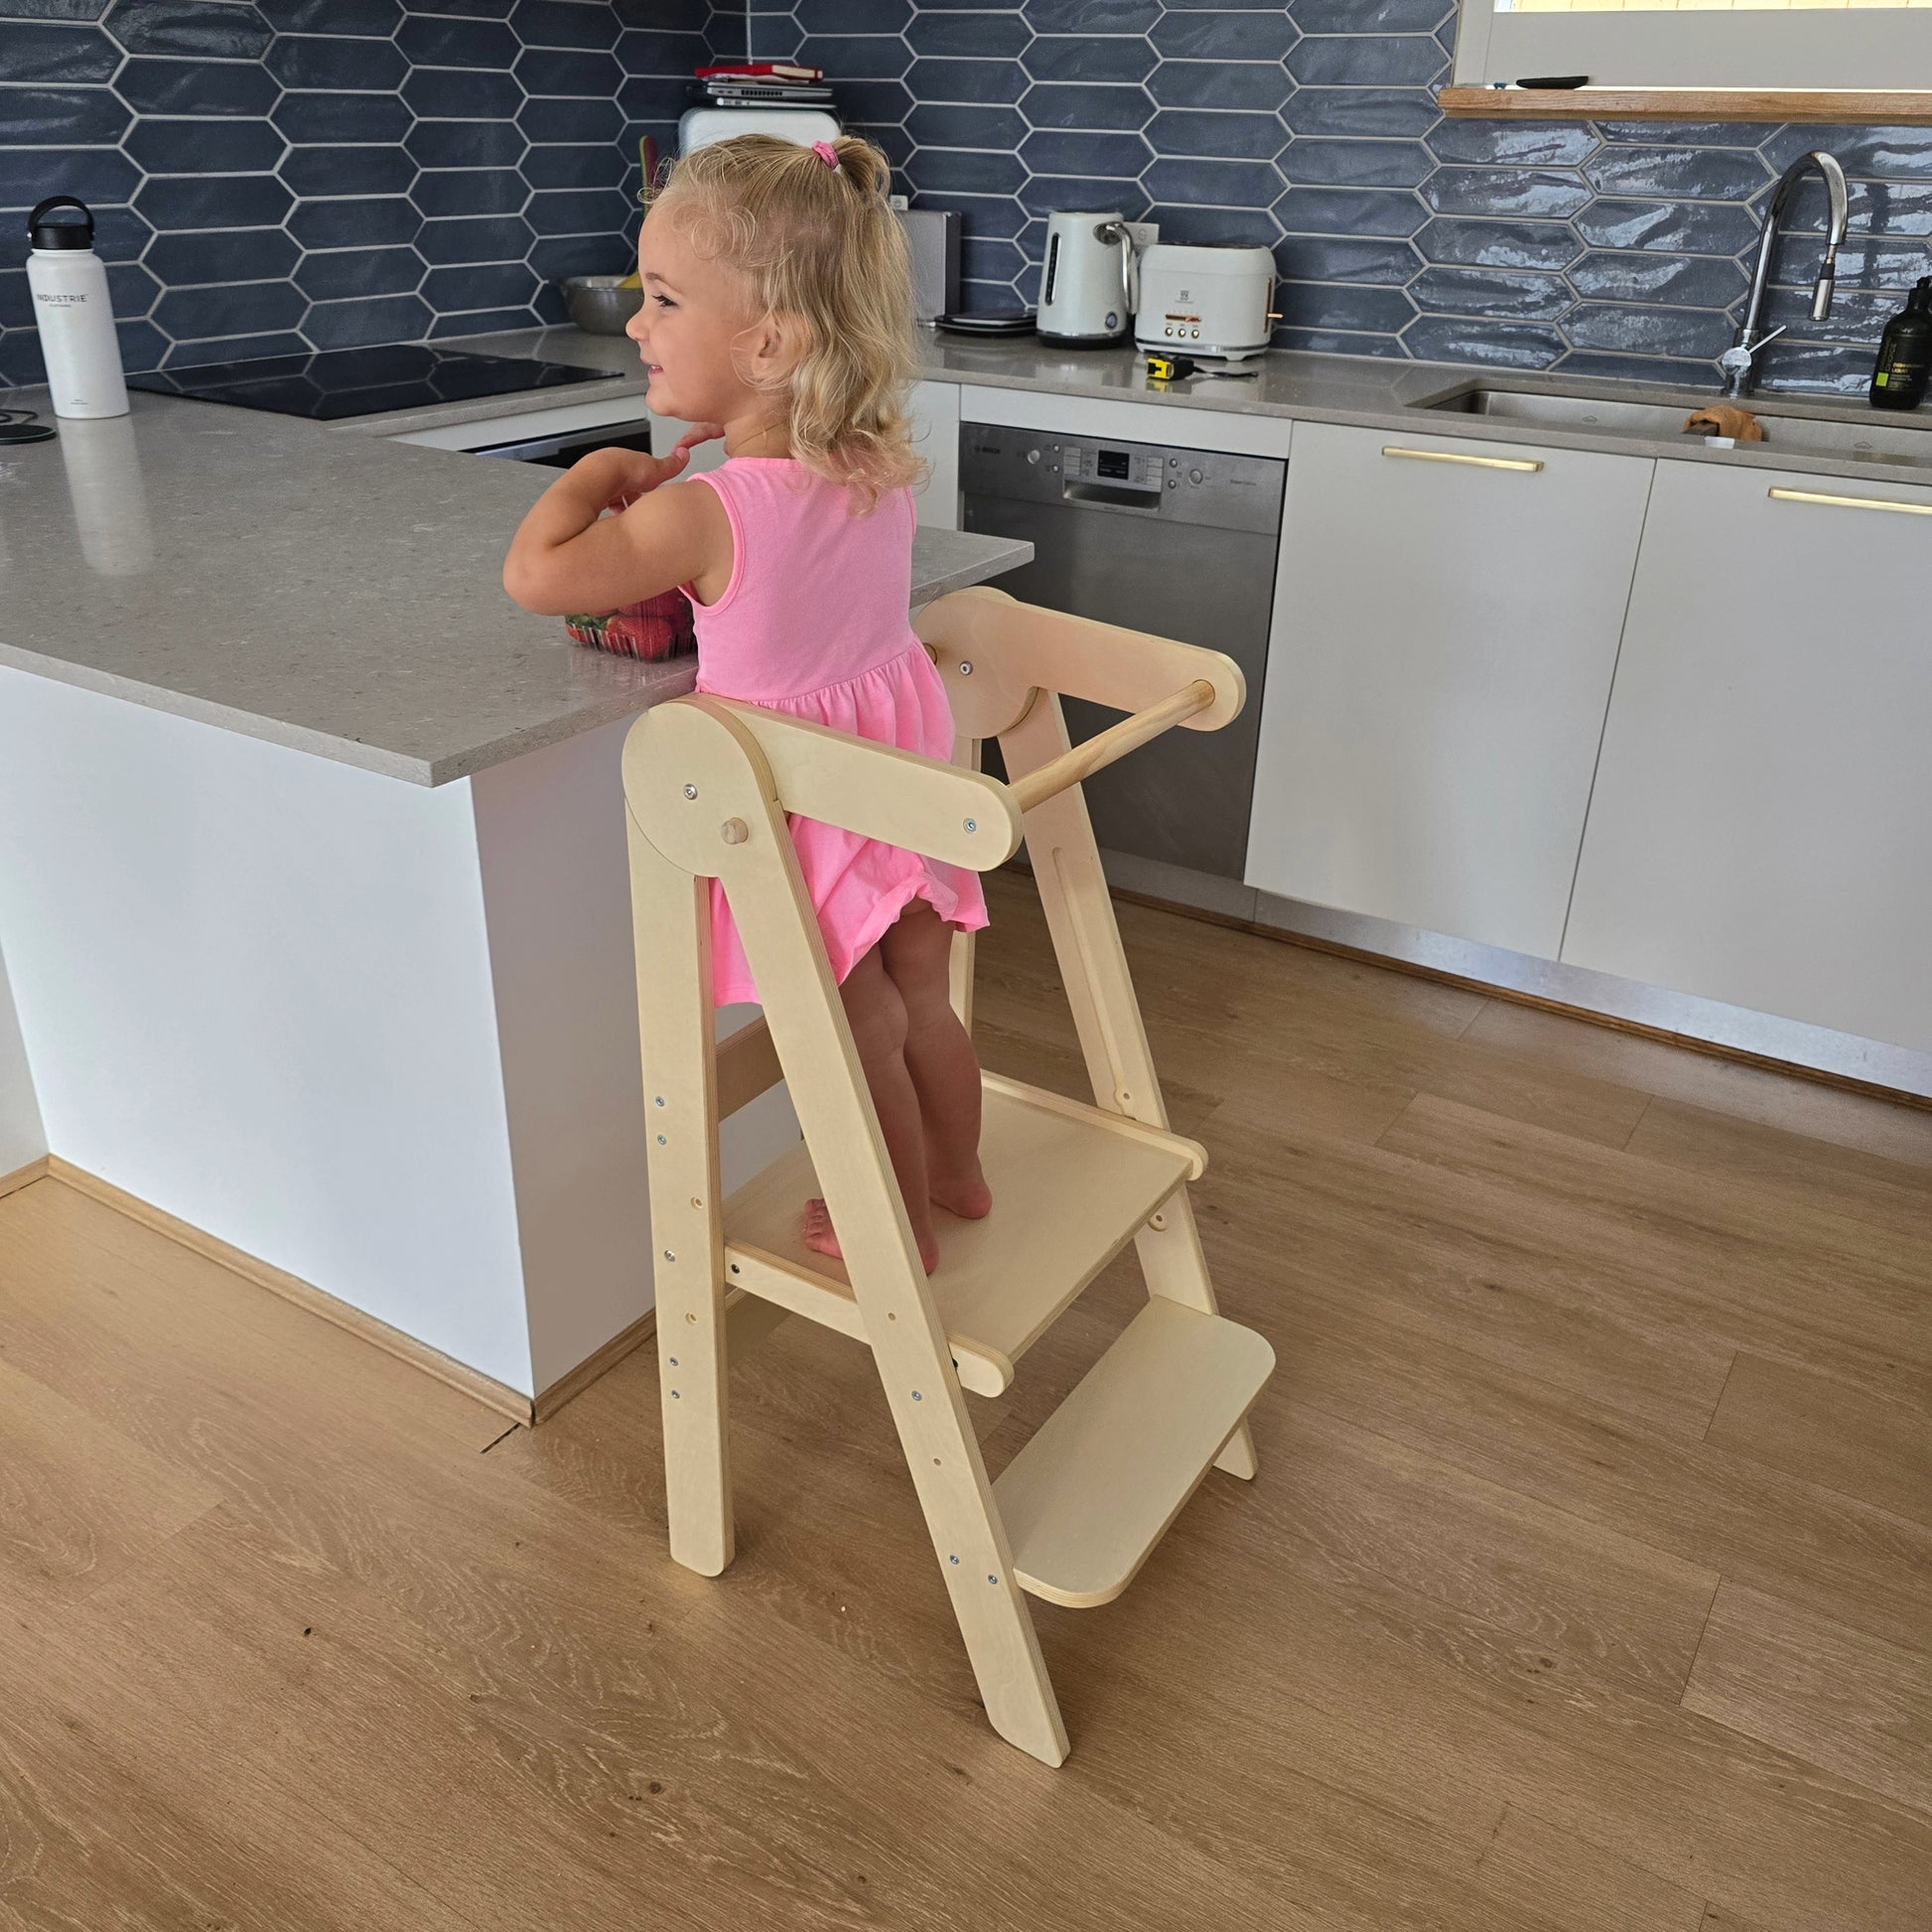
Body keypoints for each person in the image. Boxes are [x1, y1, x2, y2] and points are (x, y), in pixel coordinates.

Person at [503, 133, 988, 1276]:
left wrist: (592, 475)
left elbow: (536, 577)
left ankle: (891, 1224)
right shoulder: (871, 469)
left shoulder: (703, 512)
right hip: (897, 770)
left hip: (807, 796)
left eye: (664, 298)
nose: (637, 324)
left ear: (768, 343)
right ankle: (957, 1174)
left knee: (856, 1020)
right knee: (922, 998)